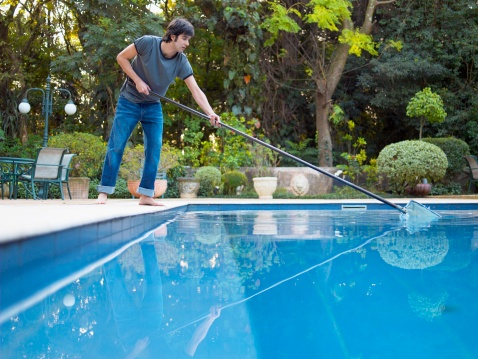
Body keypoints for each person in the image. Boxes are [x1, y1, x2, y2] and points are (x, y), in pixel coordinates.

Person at [96, 18, 220, 206]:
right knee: (117, 144)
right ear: (172, 36)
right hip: (129, 101)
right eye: (184, 39)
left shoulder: (181, 61)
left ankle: (146, 194)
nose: (187, 43)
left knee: (154, 149)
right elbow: (121, 57)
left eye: (189, 40)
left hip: (152, 105)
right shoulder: (148, 43)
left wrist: (211, 112)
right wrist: (137, 80)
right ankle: (104, 192)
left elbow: (196, 91)